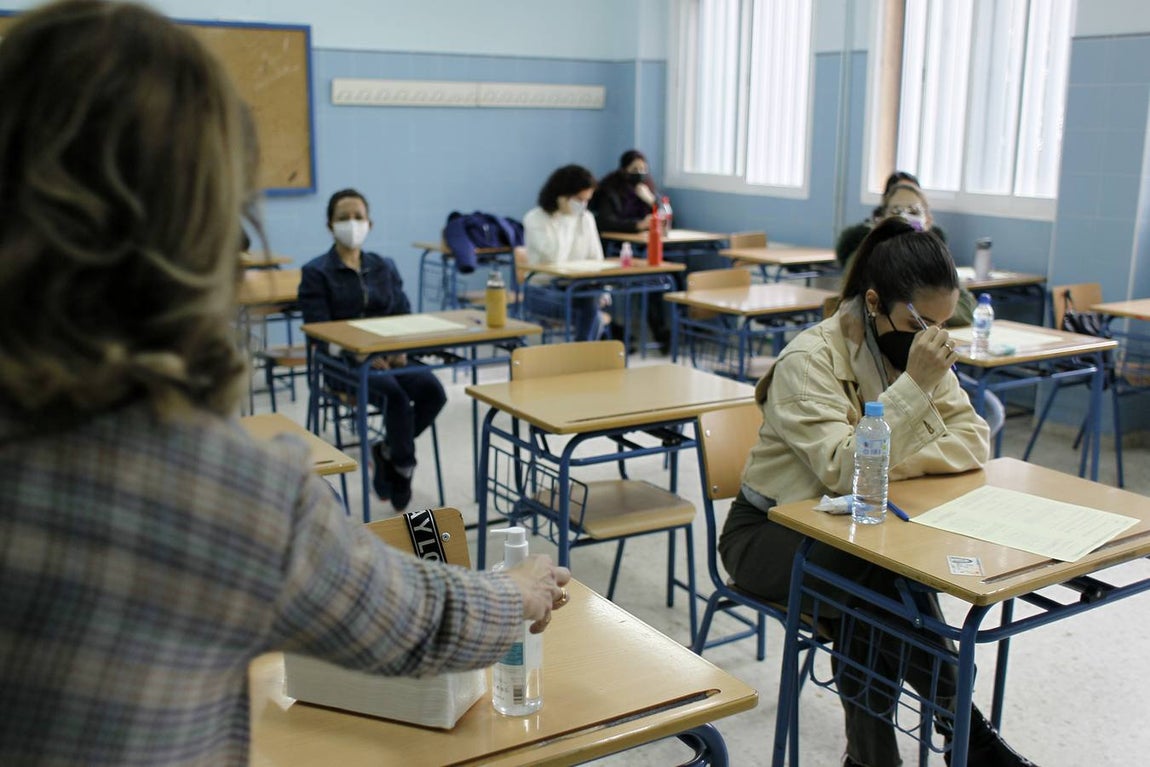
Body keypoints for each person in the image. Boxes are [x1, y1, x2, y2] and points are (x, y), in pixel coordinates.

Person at [0, 3, 571, 765]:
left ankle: (392, 463)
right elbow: (412, 620)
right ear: (203, 228)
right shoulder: (219, 488)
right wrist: (519, 591)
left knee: (414, 390)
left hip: (385, 369)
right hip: (350, 384)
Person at [719, 219, 1036, 767]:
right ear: (873, 301)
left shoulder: (922, 349)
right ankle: (965, 729)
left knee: (876, 588)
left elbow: (973, 442)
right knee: (881, 579)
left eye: (943, 324)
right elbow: (845, 471)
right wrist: (913, 390)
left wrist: (882, 467)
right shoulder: (809, 360)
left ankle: (876, 759)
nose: (933, 338)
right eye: (921, 322)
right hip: (769, 534)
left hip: (863, 530)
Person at [299, 189, 447, 512]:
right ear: (329, 225)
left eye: (358, 217)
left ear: (370, 223)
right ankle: (404, 466)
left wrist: (401, 350)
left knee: (433, 391)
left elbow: (404, 314)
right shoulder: (316, 272)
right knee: (394, 396)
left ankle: (387, 451)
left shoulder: (384, 266)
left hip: (392, 357)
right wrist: (360, 354)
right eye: (343, 218)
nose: (351, 224)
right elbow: (319, 334)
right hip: (344, 364)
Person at [522, 164, 608, 341]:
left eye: (587, 201)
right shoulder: (535, 219)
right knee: (593, 316)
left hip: (577, 290)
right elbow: (555, 258)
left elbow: (596, 258)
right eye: (579, 200)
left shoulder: (587, 218)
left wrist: (604, 290)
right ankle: (582, 359)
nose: (583, 206)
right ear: (562, 195)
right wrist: (563, 218)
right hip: (542, 291)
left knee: (592, 301)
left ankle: (580, 360)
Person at [589, 149, 658, 234]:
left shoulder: (648, 189)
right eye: (635, 169)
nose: (640, 173)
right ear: (624, 170)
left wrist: (651, 201)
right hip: (616, 241)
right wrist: (637, 225)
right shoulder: (609, 190)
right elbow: (606, 222)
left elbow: (666, 217)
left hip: (642, 240)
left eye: (643, 169)